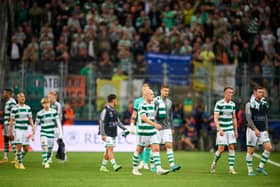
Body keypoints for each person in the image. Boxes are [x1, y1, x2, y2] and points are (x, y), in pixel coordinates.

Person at [132, 88, 169, 176]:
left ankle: (159, 169)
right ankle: (134, 169)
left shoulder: (153, 103)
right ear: (146, 95)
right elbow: (144, 118)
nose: (153, 95)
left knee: (156, 148)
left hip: (152, 131)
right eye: (151, 94)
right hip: (143, 131)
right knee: (139, 150)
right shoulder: (142, 105)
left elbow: (159, 99)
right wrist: (155, 124)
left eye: (153, 94)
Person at [245, 86, 272, 176]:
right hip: (252, 130)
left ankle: (260, 167)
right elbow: (248, 119)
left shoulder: (264, 103)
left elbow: (266, 117)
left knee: (269, 148)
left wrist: (266, 129)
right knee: (250, 151)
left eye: (262, 92)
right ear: (255, 92)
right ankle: (250, 170)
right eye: (260, 92)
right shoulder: (249, 104)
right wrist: (255, 129)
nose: (262, 94)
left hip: (263, 130)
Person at [210, 87, 238, 174]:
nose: (231, 94)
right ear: (225, 94)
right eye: (229, 92)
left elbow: (234, 118)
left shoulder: (233, 104)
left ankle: (231, 168)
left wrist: (236, 131)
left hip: (230, 129)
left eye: (232, 93)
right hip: (222, 129)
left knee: (231, 147)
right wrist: (219, 129)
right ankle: (214, 163)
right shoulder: (219, 104)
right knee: (221, 149)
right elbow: (215, 118)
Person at [99, 94, 129, 172]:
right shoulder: (105, 110)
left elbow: (118, 122)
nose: (117, 101)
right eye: (116, 100)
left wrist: (125, 128)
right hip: (107, 132)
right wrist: (102, 134)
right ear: (113, 100)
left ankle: (103, 166)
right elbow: (101, 121)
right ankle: (114, 165)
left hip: (113, 133)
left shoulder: (114, 110)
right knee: (110, 148)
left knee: (107, 150)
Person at [154, 85, 181, 172]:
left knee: (169, 145)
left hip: (167, 127)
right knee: (155, 147)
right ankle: (154, 165)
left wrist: (172, 127)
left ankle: (172, 165)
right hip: (157, 127)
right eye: (165, 90)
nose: (166, 92)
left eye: (167, 91)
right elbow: (152, 113)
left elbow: (170, 115)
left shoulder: (169, 102)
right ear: (161, 91)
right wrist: (153, 124)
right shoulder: (156, 101)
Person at [10, 92, 35, 169]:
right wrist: (11, 131)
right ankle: (20, 164)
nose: (22, 98)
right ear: (17, 99)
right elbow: (12, 120)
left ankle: (17, 159)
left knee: (26, 149)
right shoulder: (14, 108)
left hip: (25, 130)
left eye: (23, 97)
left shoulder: (28, 107)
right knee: (19, 146)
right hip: (18, 129)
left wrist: (33, 126)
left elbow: (30, 118)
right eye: (20, 97)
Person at [35, 97, 61, 168]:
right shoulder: (39, 113)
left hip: (51, 133)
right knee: (45, 147)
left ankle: (46, 159)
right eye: (45, 103)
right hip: (44, 132)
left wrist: (60, 133)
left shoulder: (54, 112)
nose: (46, 105)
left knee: (50, 149)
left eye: (48, 103)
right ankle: (46, 162)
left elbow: (58, 122)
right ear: (42, 104)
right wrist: (33, 134)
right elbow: (36, 124)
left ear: (49, 103)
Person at [130, 83, 150, 170]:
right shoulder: (138, 101)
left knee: (148, 145)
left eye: (147, 89)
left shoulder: (152, 101)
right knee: (140, 145)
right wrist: (132, 124)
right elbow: (134, 113)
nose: (145, 91)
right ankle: (141, 162)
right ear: (142, 90)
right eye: (144, 89)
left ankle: (146, 163)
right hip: (140, 126)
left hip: (149, 126)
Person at [48, 91, 66, 161]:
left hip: (57, 126)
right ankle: (49, 157)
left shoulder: (57, 105)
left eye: (50, 96)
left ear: (55, 96)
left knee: (59, 141)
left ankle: (62, 154)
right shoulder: (47, 104)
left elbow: (58, 115)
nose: (49, 98)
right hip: (50, 126)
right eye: (48, 97)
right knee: (50, 142)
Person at [0, 89, 17, 163]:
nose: (3, 94)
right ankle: (5, 157)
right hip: (5, 122)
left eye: (4, 93)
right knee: (6, 140)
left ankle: (16, 157)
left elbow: (13, 113)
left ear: (8, 93)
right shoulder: (7, 102)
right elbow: (6, 113)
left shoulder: (12, 102)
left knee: (11, 139)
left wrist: (10, 123)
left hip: (10, 124)